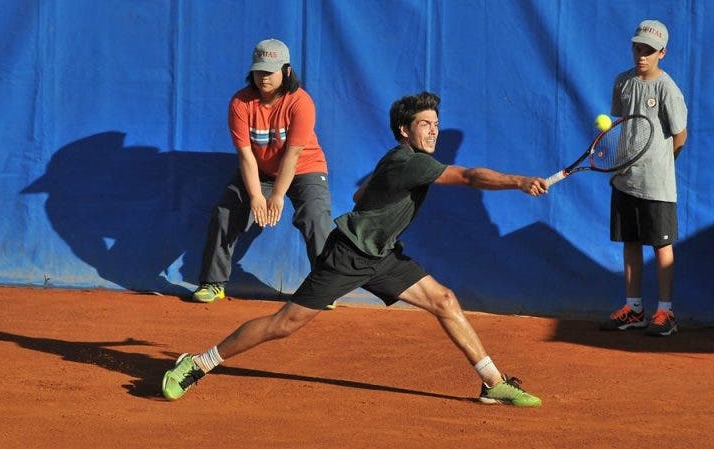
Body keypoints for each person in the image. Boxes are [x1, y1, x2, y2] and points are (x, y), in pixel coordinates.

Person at [163, 92, 547, 407]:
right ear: (404, 130)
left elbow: (359, 193)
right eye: (424, 124)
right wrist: (520, 181)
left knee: (444, 300)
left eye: (435, 124)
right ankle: (198, 363)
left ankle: (492, 382)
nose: (433, 131)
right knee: (285, 324)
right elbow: (468, 176)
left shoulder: (399, 160)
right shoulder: (410, 162)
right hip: (349, 255)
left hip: (381, 254)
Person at [192, 38, 335, 307]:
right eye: (259, 70)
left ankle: (326, 288)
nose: (263, 77)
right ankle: (213, 282)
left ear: (287, 71)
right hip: (259, 171)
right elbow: (245, 156)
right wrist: (257, 195)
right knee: (225, 212)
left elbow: (292, 156)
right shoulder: (240, 103)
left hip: (305, 168)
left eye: (269, 71)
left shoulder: (301, 103)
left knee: (316, 217)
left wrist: (278, 195)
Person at [599, 20, 688, 337]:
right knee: (631, 243)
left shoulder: (668, 89)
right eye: (638, 48)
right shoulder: (623, 82)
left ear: (662, 52)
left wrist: (662, 165)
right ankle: (634, 308)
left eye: (649, 51)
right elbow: (624, 122)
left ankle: (666, 312)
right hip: (626, 180)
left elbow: (680, 135)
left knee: (662, 247)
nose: (642, 55)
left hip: (657, 185)